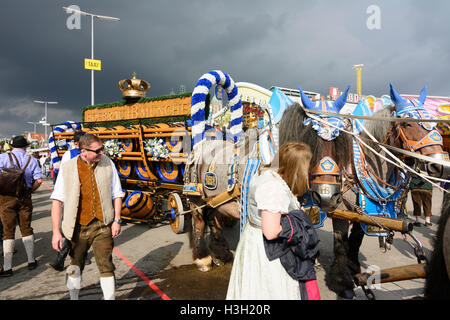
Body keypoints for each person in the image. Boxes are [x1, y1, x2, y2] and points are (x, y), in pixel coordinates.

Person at [226, 142, 316, 300]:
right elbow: (271, 231)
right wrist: (298, 225)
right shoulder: (273, 187)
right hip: (268, 252)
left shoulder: (267, 174)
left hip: (255, 240)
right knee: (269, 290)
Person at [50, 134, 123, 300]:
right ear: (83, 151)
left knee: (106, 265)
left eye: (102, 149)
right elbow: (57, 201)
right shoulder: (67, 167)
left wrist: (117, 219)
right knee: (75, 264)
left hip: (102, 225)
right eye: (97, 150)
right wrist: (56, 232)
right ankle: (73, 297)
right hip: (76, 227)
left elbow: (117, 193)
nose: (101, 153)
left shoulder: (107, 162)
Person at [0, 136, 43, 277]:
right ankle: (31, 261)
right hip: (25, 198)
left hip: (6, 198)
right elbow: (39, 180)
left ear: (12, 146)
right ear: (25, 147)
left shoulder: (2, 158)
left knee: (8, 230)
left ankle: (7, 268)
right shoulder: (32, 160)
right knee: (26, 228)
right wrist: (30, 190)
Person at [46, 130, 85, 272]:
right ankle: (63, 259)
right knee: (72, 227)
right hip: (76, 195)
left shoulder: (69, 154)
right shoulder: (71, 154)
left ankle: (63, 259)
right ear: (76, 143)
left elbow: (62, 174)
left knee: (71, 227)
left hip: (72, 195)